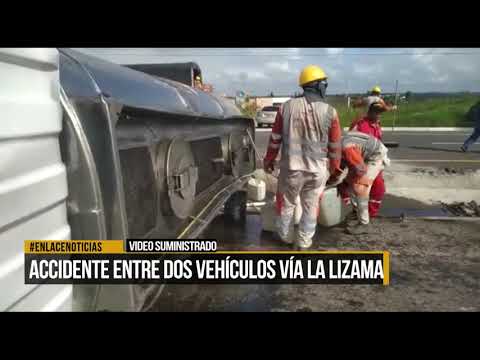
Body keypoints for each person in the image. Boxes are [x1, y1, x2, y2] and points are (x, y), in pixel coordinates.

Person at [263, 65, 342, 249]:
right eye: (324, 83)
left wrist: (269, 160)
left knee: (286, 204)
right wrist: (335, 169)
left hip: (291, 169)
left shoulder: (286, 108)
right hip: (317, 171)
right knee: (310, 207)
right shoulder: (330, 111)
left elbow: (275, 139)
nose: (325, 86)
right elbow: (335, 146)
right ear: (316, 85)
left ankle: (285, 237)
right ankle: (304, 243)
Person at [339, 102, 387, 219]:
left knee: (377, 187)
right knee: (361, 186)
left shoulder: (377, 125)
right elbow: (350, 141)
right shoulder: (360, 124)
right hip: (357, 157)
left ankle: (369, 213)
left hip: (372, 156)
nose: (378, 115)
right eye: (376, 112)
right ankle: (360, 213)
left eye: (380, 113)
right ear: (370, 111)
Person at [340, 131, 390, 235]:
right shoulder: (338, 144)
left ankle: (364, 223)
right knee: (349, 183)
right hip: (364, 155)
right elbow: (339, 166)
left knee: (359, 187)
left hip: (375, 156)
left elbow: (360, 169)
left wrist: (350, 180)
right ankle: (356, 212)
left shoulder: (346, 148)